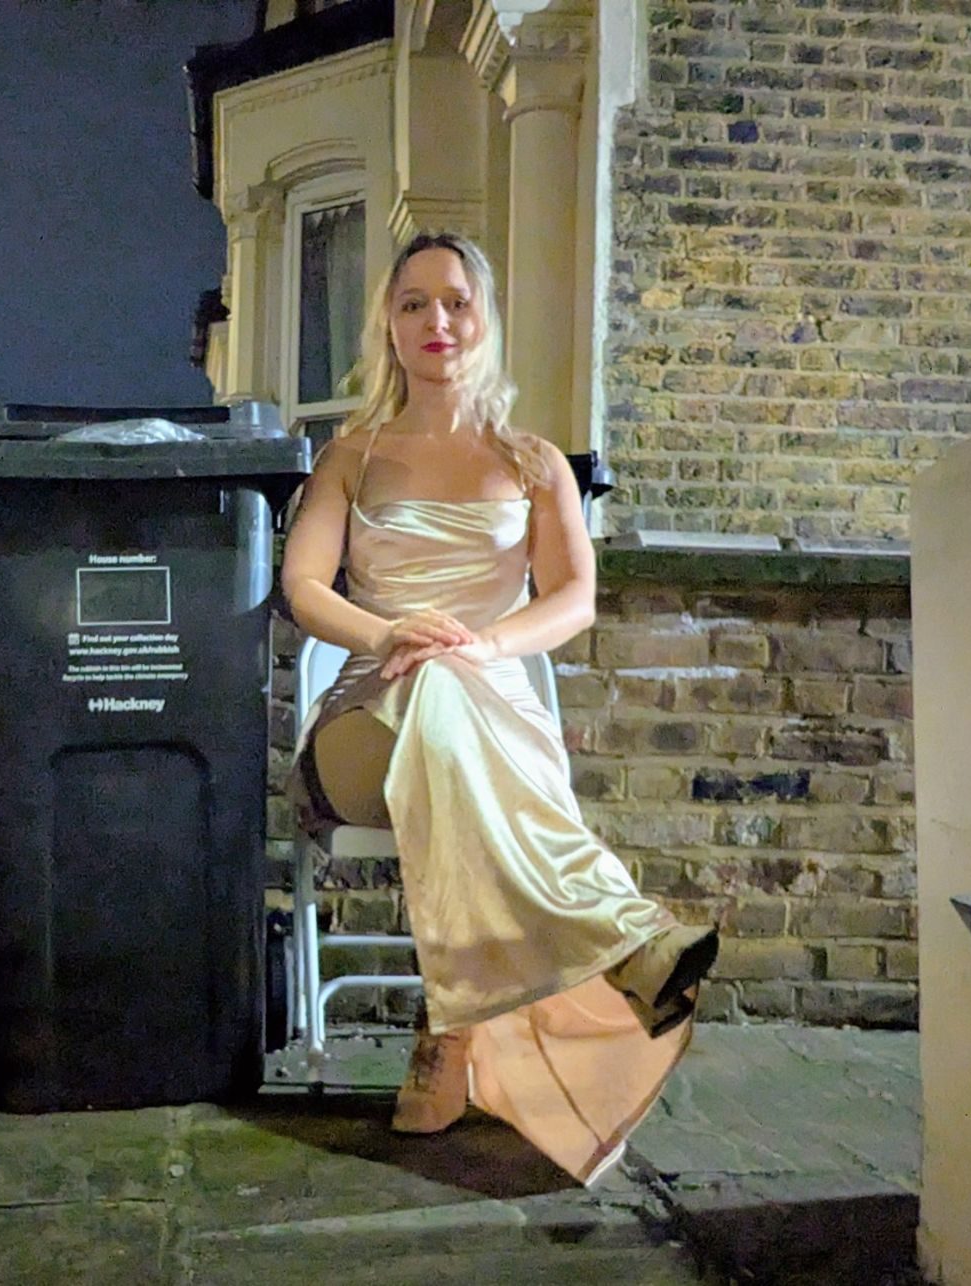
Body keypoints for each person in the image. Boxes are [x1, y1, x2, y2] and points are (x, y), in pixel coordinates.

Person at [280, 230, 719, 1187]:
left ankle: (449, 1029)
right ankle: (621, 933)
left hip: (487, 722)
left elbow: (574, 599)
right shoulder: (349, 457)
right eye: (412, 304)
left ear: (485, 320)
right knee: (431, 677)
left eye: (456, 301)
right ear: (388, 329)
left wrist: (486, 645)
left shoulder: (533, 463)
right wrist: (389, 634)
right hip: (364, 731)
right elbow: (303, 586)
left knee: (453, 681)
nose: (437, 320)